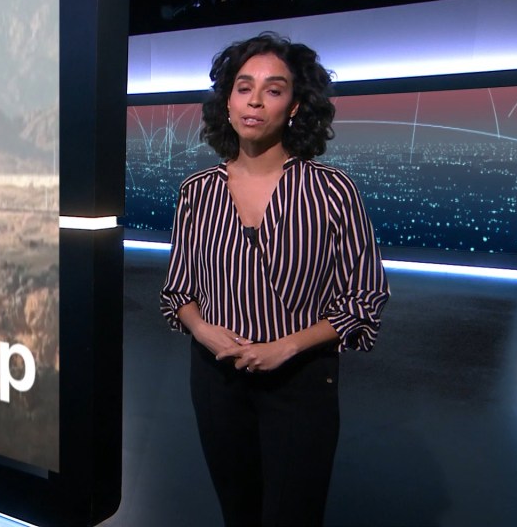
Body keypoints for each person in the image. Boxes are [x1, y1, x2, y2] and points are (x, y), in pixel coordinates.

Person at [160, 32, 390, 526]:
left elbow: (364, 297)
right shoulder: (197, 192)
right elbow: (178, 291)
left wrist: (285, 347)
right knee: (238, 512)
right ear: (227, 103)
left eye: (274, 89)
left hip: (300, 383)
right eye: (244, 88)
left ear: (295, 107)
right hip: (216, 380)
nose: (255, 101)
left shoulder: (332, 191)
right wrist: (203, 330)